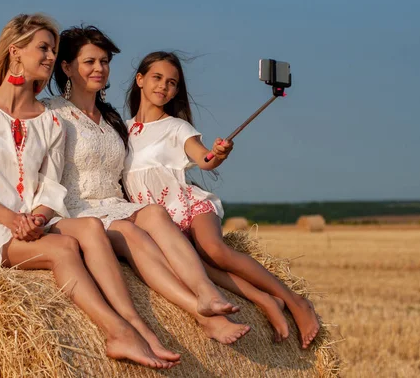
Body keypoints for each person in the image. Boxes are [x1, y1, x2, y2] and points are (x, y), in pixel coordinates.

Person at [0, 14, 176, 369]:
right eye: (43, 48)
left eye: (53, 50)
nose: (50, 57)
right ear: (15, 51)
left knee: (91, 227)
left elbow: (51, 188)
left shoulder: (49, 121)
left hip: (29, 223)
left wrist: (38, 217)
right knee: (64, 248)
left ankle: (137, 322)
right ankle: (116, 333)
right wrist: (13, 220)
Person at [46, 25, 295, 343]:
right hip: (79, 209)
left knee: (155, 215)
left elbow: (199, 157)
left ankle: (207, 293)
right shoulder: (54, 114)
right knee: (151, 236)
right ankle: (201, 314)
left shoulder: (112, 120)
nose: (100, 68)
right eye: (90, 61)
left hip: (121, 205)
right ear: (66, 67)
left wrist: (215, 155)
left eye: (104, 61)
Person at [122, 51, 321, 348]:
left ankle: (295, 301)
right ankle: (265, 300)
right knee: (203, 270)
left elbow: (203, 158)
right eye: (157, 78)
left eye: (172, 83)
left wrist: (217, 154)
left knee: (214, 250)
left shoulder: (177, 127)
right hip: (160, 223)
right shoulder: (120, 131)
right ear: (140, 79)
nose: (164, 86)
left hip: (189, 207)